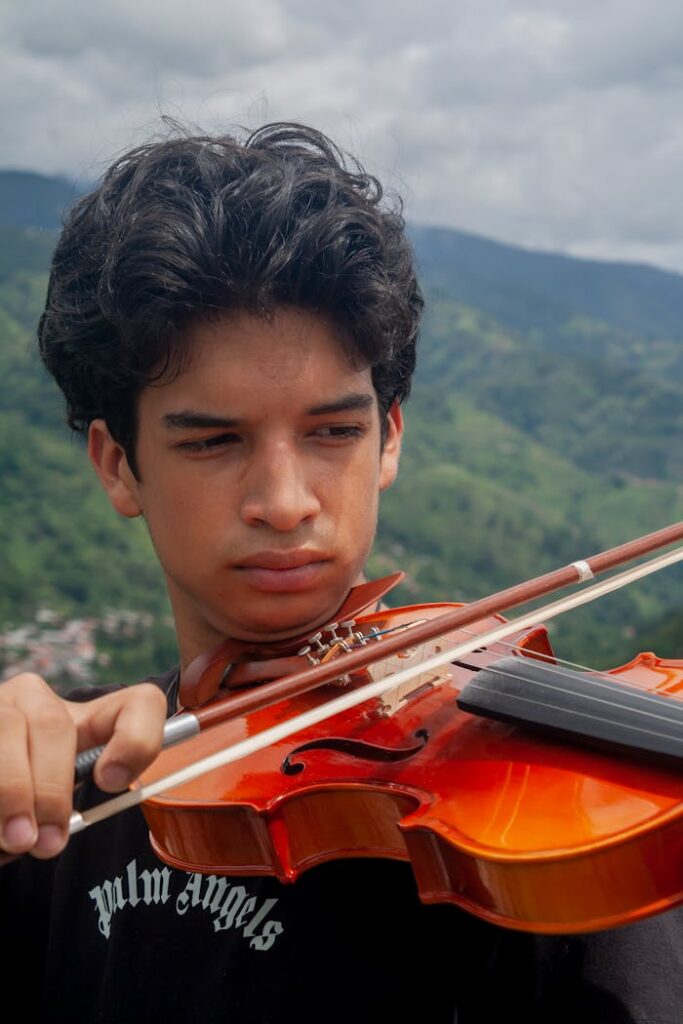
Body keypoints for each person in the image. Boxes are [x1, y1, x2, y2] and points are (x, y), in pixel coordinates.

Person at [1, 122, 682, 1023]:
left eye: (334, 432)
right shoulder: (67, 803)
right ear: (117, 464)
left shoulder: (560, 853)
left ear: (389, 437)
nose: (285, 500)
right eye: (212, 441)